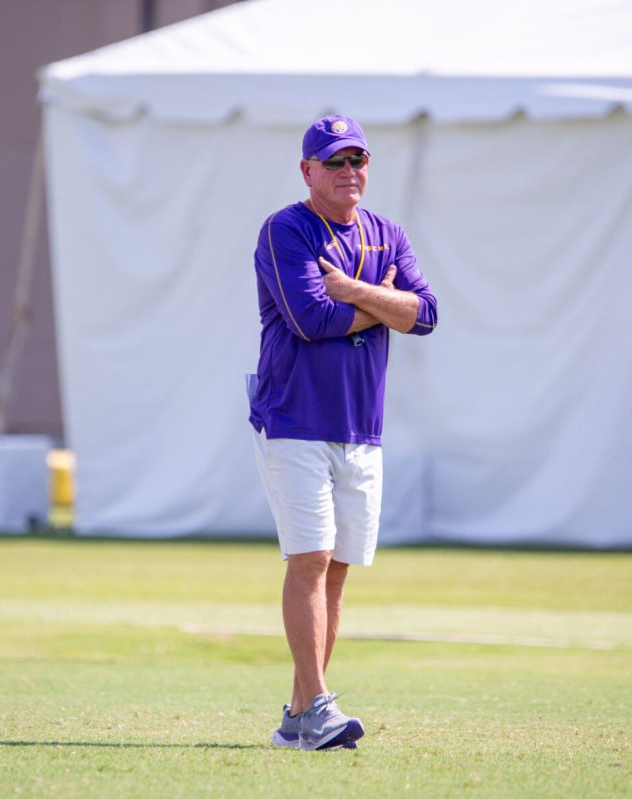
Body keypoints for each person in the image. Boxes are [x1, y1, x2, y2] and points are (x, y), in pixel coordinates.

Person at [248, 115, 437, 749]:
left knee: (338, 571)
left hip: (362, 426)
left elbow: (427, 314)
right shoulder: (286, 228)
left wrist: (354, 289)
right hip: (295, 417)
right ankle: (321, 706)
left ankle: (301, 717)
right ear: (308, 171)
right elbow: (309, 318)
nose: (349, 171)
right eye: (334, 161)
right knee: (311, 558)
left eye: (358, 159)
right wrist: (383, 305)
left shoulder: (388, 234)